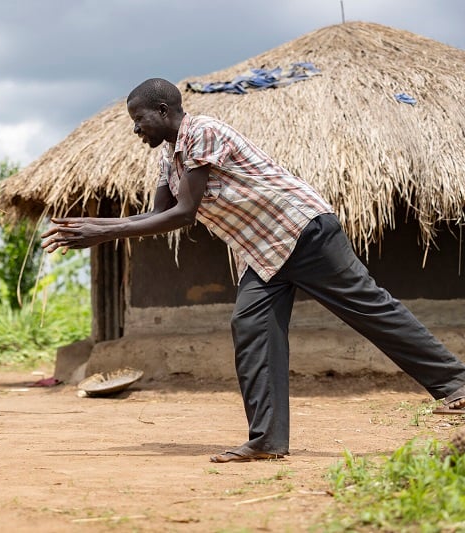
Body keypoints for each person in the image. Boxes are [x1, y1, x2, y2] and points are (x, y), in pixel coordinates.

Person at [41, 78, 465, 463]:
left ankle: (457, 384)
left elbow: (185, 213)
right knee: (251, 327)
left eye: (139, 119)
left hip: (301, 230)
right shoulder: (169, 159)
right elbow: (157, 216)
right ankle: (267, 440)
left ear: (164, 111)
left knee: (368, 307)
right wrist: (95, 228)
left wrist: (101, 232)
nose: (136, 129)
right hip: (263, 252)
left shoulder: (203, 131)